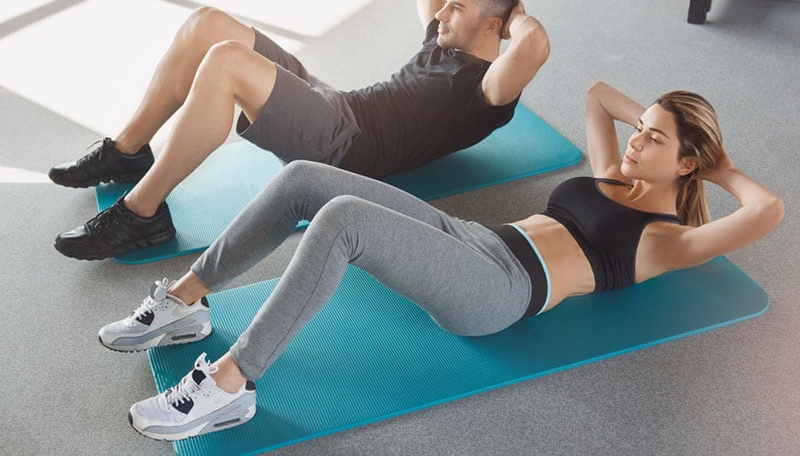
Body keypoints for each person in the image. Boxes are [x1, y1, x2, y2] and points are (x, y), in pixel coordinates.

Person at [99, 82, 783, 441]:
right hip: (476, 238)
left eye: (653, 140)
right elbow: (600, 93)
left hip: (502, 292)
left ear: (688, 161)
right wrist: (661, 123)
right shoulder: (617, 176)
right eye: (640, 133)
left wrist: (717, 165)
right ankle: (188, 299)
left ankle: (230, 386)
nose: (634, 141)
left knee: (341, 221)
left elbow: (769, 211)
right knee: (307, 176)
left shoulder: (666, 238)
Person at [49, 0, 550, 261]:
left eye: (457, 7)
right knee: (208, 24)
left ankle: (143, 213)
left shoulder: (487, 87)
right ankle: (128, 151)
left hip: (347, 147)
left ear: (494, 27)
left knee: (226, 62)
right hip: (339, 104)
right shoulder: (447, 35)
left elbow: (536, 45)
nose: (441, 11)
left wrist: (514, 14)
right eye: (447, 3)